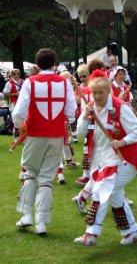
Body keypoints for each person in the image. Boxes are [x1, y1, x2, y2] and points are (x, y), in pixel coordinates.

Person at [74, 70, 137, 246]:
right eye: (94, 93)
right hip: (102, 160)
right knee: (114, 196)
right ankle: (132, 231)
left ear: (108, 91)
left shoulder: (120, 107)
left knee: (101, 190)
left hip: (126, 159)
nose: (97, 96)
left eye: (101, 93)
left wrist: (121, 142)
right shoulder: (89, 106)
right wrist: (85, 116)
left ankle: (91, 234)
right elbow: (81, 133)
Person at [12, 48, 77, 235]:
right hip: (56, 135)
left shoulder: (30, 82)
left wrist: (22, 125)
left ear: (37, 64)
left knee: (30, 173)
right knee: (47, 179)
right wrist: (63, 122)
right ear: (54, 63)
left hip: (35, 134)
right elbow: (71, 113)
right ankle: (41, 222)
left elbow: (18, 113)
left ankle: (26, 216)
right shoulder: (64, 82)